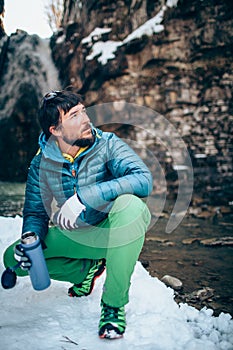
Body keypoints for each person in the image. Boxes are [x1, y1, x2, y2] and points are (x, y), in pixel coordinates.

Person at [3, 90, 152, 339]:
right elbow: (35, 212)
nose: (86, 119)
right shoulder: (41, 163)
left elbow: (143, 180)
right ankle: (85, 272)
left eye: (83, 110)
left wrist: (85, 197)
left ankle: (113, 306)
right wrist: (30, 237)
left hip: (112, 233)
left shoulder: (108, 144)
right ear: (56, 130)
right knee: (14, 258)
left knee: (132, 207)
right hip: (76, 237)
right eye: (74, 115)